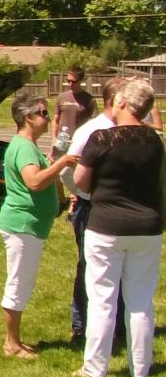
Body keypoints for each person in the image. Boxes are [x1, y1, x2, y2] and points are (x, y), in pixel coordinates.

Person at [73, 79, 163, 377]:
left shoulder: (101, 138)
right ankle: (141, 368)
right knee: (140, 300)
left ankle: (94, 367)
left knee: (102, 300)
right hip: (147, 228)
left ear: (122, 103)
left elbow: (81, 181)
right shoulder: (155, 141)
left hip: (106, 227)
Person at [0, 95, 78, 359]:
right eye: (43, 113)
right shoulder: (23, 148)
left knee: (23, 281)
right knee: (19, 282)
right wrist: (61, 164)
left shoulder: (29, 147)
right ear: (28, 118)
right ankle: (11, 343)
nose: (47, 117)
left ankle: (16, 340)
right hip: (23, 224)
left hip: (31, 225)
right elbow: (33, 182)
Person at [61, 77, 127, 345]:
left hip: (121, 210)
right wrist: (87, 194)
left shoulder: (129, 129)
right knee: (91, 270)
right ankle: (82, 327)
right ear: (115, 101)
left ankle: (117, 329)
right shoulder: (92, 131)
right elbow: (67, 172)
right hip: (93, 209)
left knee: (121, 270)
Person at [50, 67, 96, 153]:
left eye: (74, 81)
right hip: (62, 140)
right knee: (58, 163)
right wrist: (53, 140)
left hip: (79, 140)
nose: (70, 84)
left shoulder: (89, 99)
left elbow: (94, 124)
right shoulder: (61, 97)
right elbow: (55, 121)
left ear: (81, 81)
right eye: (68, 81)